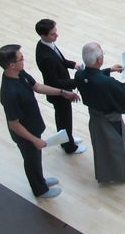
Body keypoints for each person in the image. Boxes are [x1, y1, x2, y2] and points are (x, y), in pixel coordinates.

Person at [0, 44, 79, 198]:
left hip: (33, 126)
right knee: (31, 160)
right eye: (21, 58)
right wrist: (34, 139)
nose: (24, 60)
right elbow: (13, 124)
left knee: (36, 158)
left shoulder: (20, 73)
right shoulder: (9, 93)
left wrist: (62, 93)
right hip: (26, 134)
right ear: (11, 65)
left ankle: (40, 180)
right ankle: (39, 190)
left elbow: (37, 87)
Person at [76, 43, 125, 183]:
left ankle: (104, 173)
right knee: (117, 147)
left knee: (100, 147)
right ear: (99, 60)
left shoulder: (79, 75)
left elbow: (93, 78)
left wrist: (108, 70)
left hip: (94, 117)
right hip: (110, 119)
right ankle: (123, 174)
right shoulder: (107, 83)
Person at [34, 19, 86, 156]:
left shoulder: (48, 45)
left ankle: (68, 138)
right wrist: (77, 82)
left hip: (63, 90)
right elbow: (55, 82)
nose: (56, 36)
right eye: (53, 34)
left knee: (65, 119)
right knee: (64, 120)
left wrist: (74, 65)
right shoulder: (45, 57)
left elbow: (61, 61)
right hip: (59, 94)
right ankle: (69, 146)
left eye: (55, 32)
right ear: (43, 35)